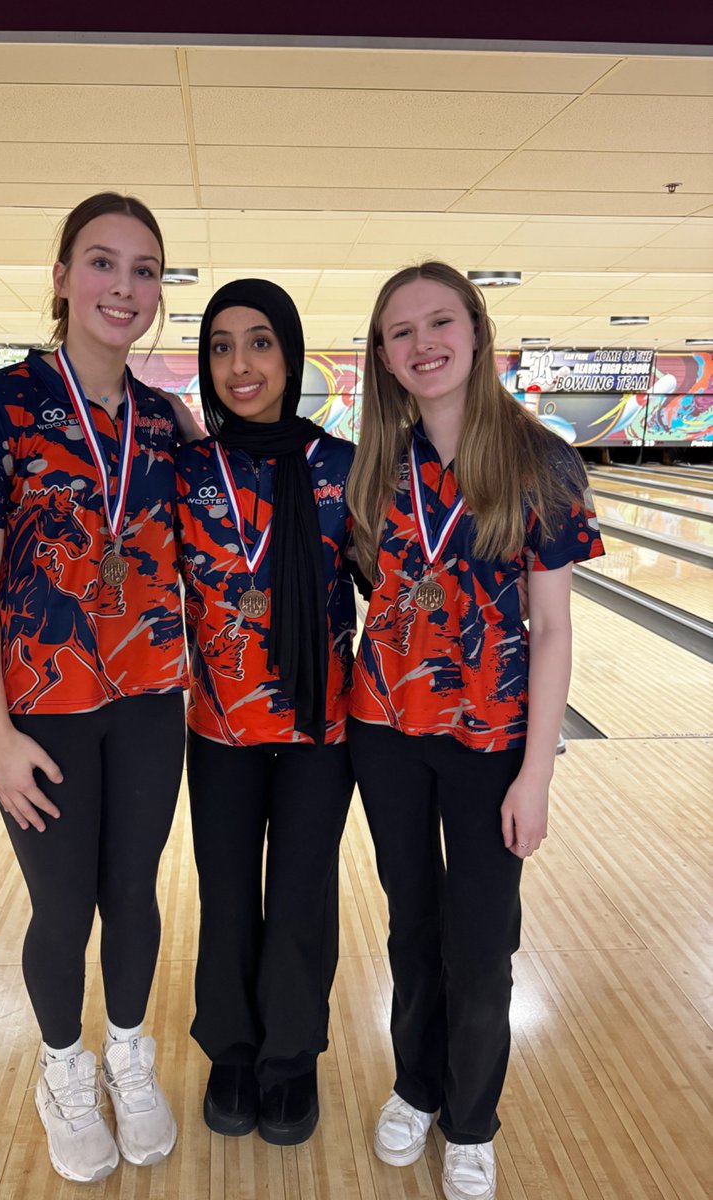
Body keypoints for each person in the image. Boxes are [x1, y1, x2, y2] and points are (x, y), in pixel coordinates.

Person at [0, 192, 200, 1184]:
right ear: (61, 278)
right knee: (63, 907)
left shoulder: (167, 423)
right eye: (102, 262)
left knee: (133, 893)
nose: (123, 287)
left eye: (144, 270)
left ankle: (128, 1054)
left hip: (149, 702)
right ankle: (63, 1068)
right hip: (43, 709)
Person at [345, 262, 603, 1200]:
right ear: (383, 355)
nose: (423, 343)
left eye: (440, 321)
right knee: (412, 927)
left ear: (477, 330)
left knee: (483, 944)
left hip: (492, 740)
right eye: (401, 331)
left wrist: (538, 776)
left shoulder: (543, 463)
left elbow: (554, 629)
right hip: (386, 730)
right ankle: (415, 1086)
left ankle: (472, 1119)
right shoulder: (372, 467)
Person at [175, 279, 358, 1145]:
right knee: (225, 896)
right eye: (220, 346)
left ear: (289, 354)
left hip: (323, 727)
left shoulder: (343, 467)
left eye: (259, 342)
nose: (239, 364)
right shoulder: (184, 473)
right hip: (219, 726)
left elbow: (398, 582)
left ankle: (290, 1057)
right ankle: (233, 1051)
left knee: (299, 897)